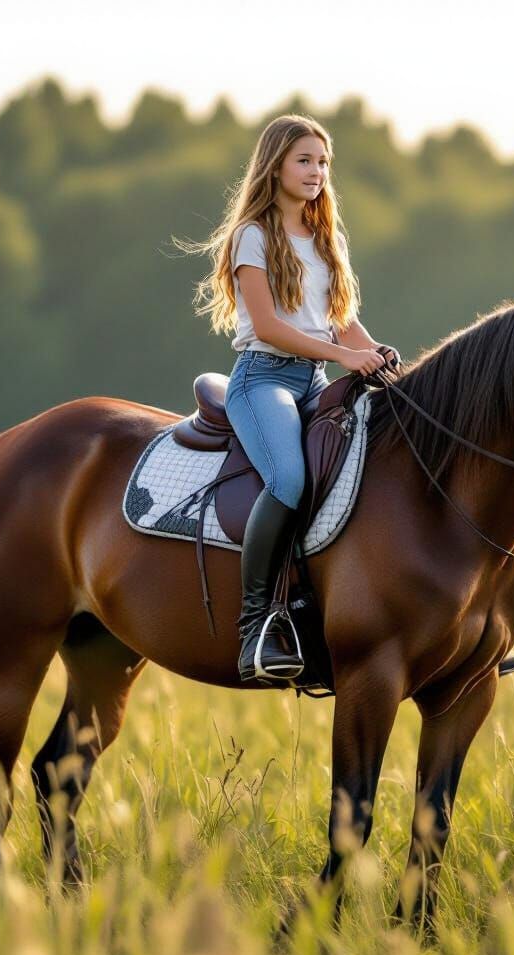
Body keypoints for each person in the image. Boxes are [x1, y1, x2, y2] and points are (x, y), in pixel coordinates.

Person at [184, 114, 399, 683]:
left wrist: (374, 352)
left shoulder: (327, 237)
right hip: (264, 381)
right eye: (304, 160)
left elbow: (342, 321)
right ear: (275, 164)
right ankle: (257, 622)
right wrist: (343, 357)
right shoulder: (253, 236)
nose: (316, 172)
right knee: (288, 480)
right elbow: (270, 326)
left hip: (316, 383)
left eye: (323, 163)